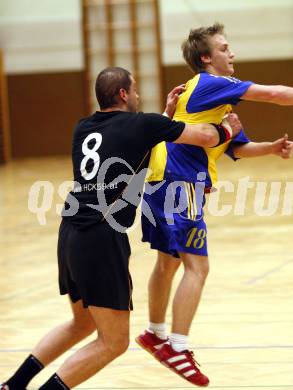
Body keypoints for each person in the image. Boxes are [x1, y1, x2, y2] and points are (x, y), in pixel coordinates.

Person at [0, 66, 239, 390]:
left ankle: (12, 386)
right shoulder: (143, 125)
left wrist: (166, 115)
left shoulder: (82, 128)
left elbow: (134, 144)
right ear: (124, 94)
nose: (139, 95)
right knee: (114, 342)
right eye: (135, 89)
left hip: (69, 232)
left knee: (81, 324)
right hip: (100, 237)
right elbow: (205, 137)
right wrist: (226, 130)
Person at [136, 23, 293, 387]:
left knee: (168, 263)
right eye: (225, 48)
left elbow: (236, 148)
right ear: (206, 59)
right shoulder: (211, 84)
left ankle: (155, 333)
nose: (232, 54)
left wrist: (272, 148)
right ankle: (177, 347)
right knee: (198, 268)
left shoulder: (212, 100)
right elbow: (273, 94)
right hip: (180, 181)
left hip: (160, 178)